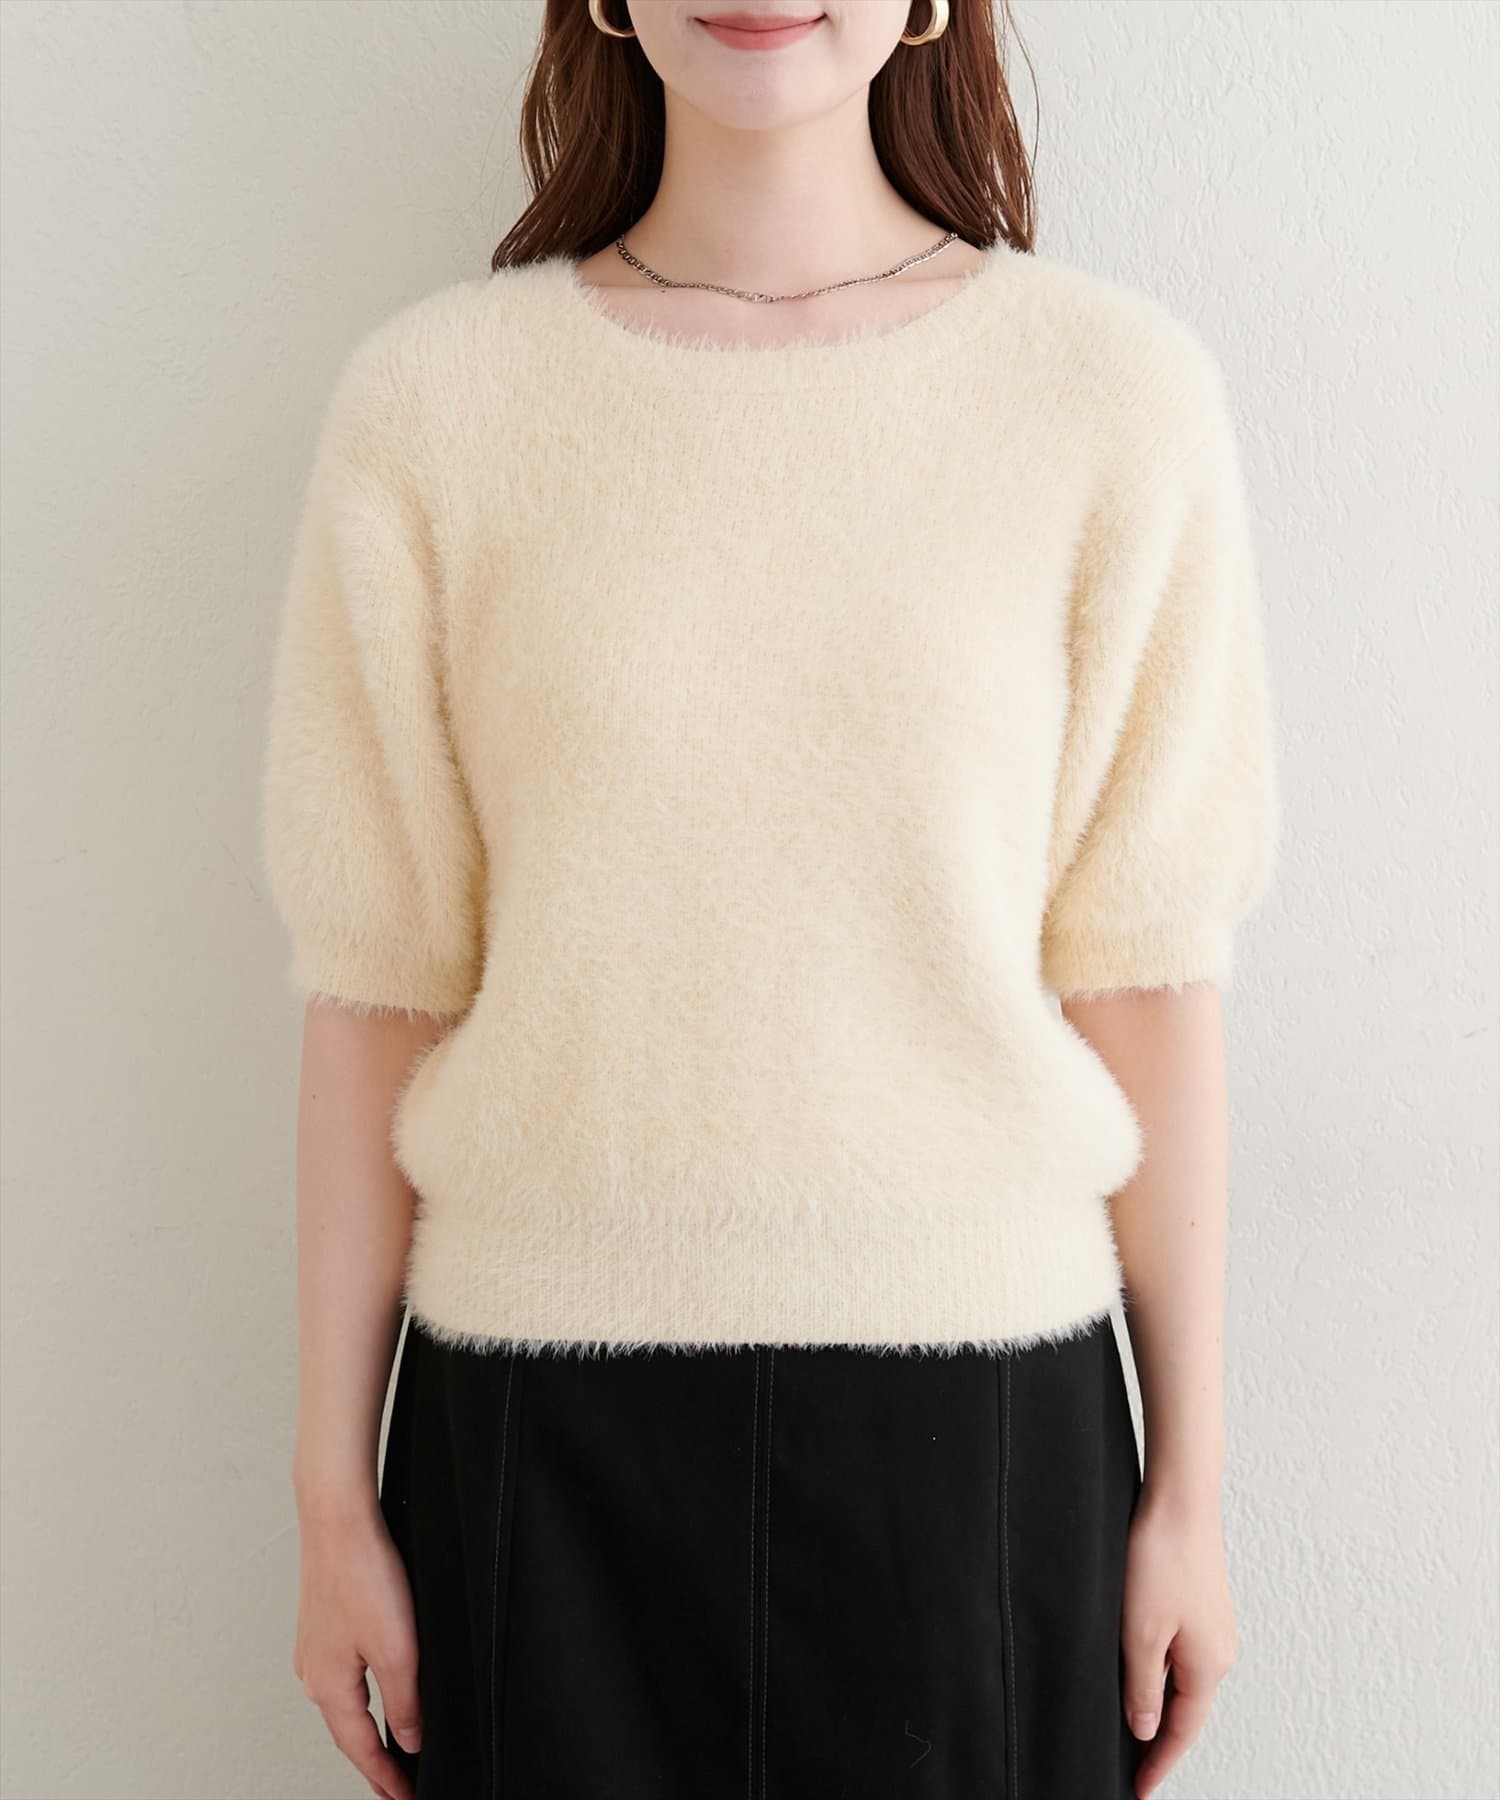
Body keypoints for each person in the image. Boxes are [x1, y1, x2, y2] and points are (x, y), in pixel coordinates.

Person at [262, 2, 1279, 1796]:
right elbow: (376, 987)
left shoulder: (1110, 397)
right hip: (542, 1423)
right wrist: (331, 1504)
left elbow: (1147, 973)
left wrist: (1191, 1493)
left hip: (980, 1427)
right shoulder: (434, 409)